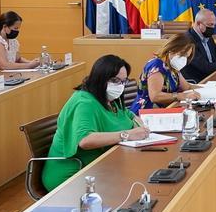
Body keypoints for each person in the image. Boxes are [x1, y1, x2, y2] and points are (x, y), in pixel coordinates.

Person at [42, 54, 149, 191]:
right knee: (136, 184)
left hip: (104, 166)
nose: (120, 86)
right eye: (115, 80)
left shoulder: (110, 99)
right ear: (100, 78)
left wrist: (141, 125)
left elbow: (128, 115)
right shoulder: (84, 102)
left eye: (123, 81)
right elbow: (85, 140)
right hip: (74, 175)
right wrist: (127, 134)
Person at [130, 33, 202, 113]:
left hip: (166, 109)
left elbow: (187, 87)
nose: (184, 59)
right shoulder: (157, 66)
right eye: (182, 54)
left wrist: (208, 90)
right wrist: (181, 96)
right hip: (147, 112)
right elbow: (155, 96)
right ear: (172, 49)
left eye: (186, 56)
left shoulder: (172, 66)